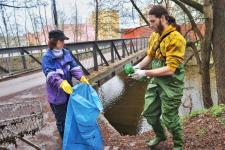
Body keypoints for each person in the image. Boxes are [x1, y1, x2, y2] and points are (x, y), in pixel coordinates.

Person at [131, 5, 186, 150]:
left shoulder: (176, 38)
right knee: (149, 113)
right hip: (156, 80)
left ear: (163, 18)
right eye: (149, 22)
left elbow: (170, 69)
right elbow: (150, 55)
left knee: (170, 119)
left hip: (172, 83)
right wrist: (138, 67)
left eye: (153, 21)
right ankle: (160, 135)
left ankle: (179, 145)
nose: (151, 25)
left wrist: (145, 73)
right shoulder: (155, 35)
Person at [42, 29, 89, 139]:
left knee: (71, 113)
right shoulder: (47, 57)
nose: (64, 43)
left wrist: (81, 76)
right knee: (61, 119)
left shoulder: (66, 52)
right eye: (62, 40)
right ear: (55, 42)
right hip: (57, 95)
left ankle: (72, 133)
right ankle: (65, 139)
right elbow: (49, 74)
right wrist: (61, 83)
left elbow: (73, 66)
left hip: (69, 91)